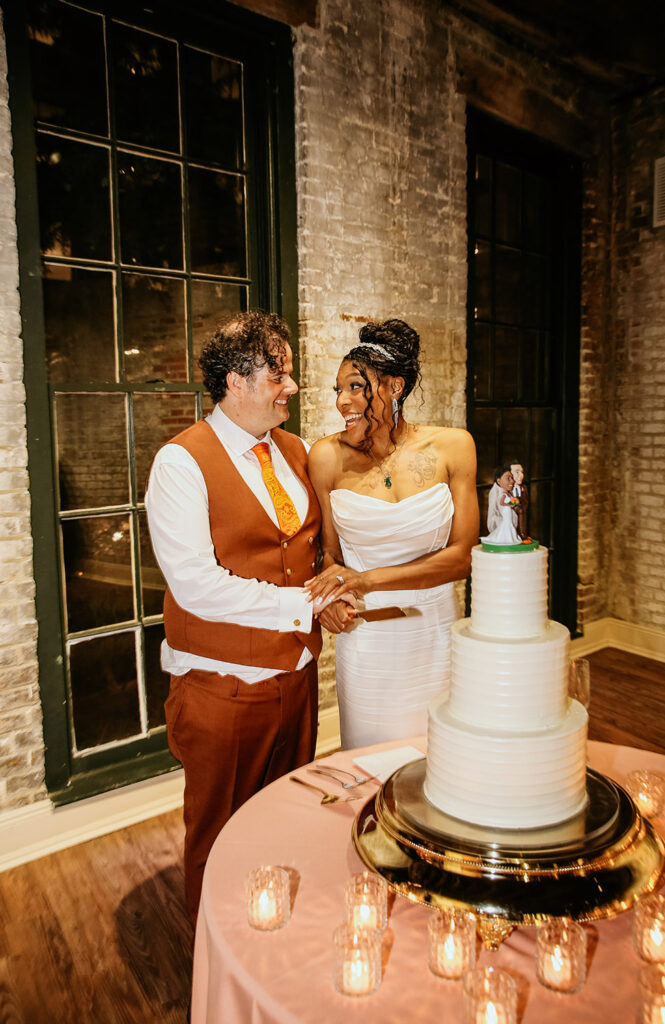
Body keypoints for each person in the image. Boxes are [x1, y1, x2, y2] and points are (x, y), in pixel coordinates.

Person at [145, 311, 350, 923]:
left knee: (287, 820)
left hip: (297, 680)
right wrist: (306, 606)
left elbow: (304, 548)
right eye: (277, 374)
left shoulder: (294, 451)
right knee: (219, 838)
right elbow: (197, 587)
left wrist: (336, 589)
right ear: (234, 379)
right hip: (221, 688)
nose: (290, 386)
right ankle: (216, 972)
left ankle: (277, 941)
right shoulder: (180, 464)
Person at [304, 319, 479, 749]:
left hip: (436, 633)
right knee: (368, 763)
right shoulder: (325, 457)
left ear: (394, 387)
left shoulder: (453, 447)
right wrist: (331, 599)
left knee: (441, 758)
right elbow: (330, 556)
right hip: (367, 640)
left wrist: (367, 580)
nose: (342, 401)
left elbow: (463, 557)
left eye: (355, 387)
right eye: (338, 390)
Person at [484, 465, 522, 545]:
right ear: (499, 481)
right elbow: (501, 503)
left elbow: (512, 501)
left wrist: (514, 503)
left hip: (508, 512)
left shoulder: (509, 493)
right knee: (506, 525)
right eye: (508, 478)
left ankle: (511, 538)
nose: (512, 481)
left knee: (509, 525)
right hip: (505, 512)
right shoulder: (502, 494)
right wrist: (509, 505)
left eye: (512, 478)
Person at [509, 458, 530, 539]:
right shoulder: (507, 489)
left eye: (522, 472)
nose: (521, 475)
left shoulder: (523, 488)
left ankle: (522, 534)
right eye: (517, 472)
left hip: (522, 512)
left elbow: (526, 500)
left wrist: (522, 507)